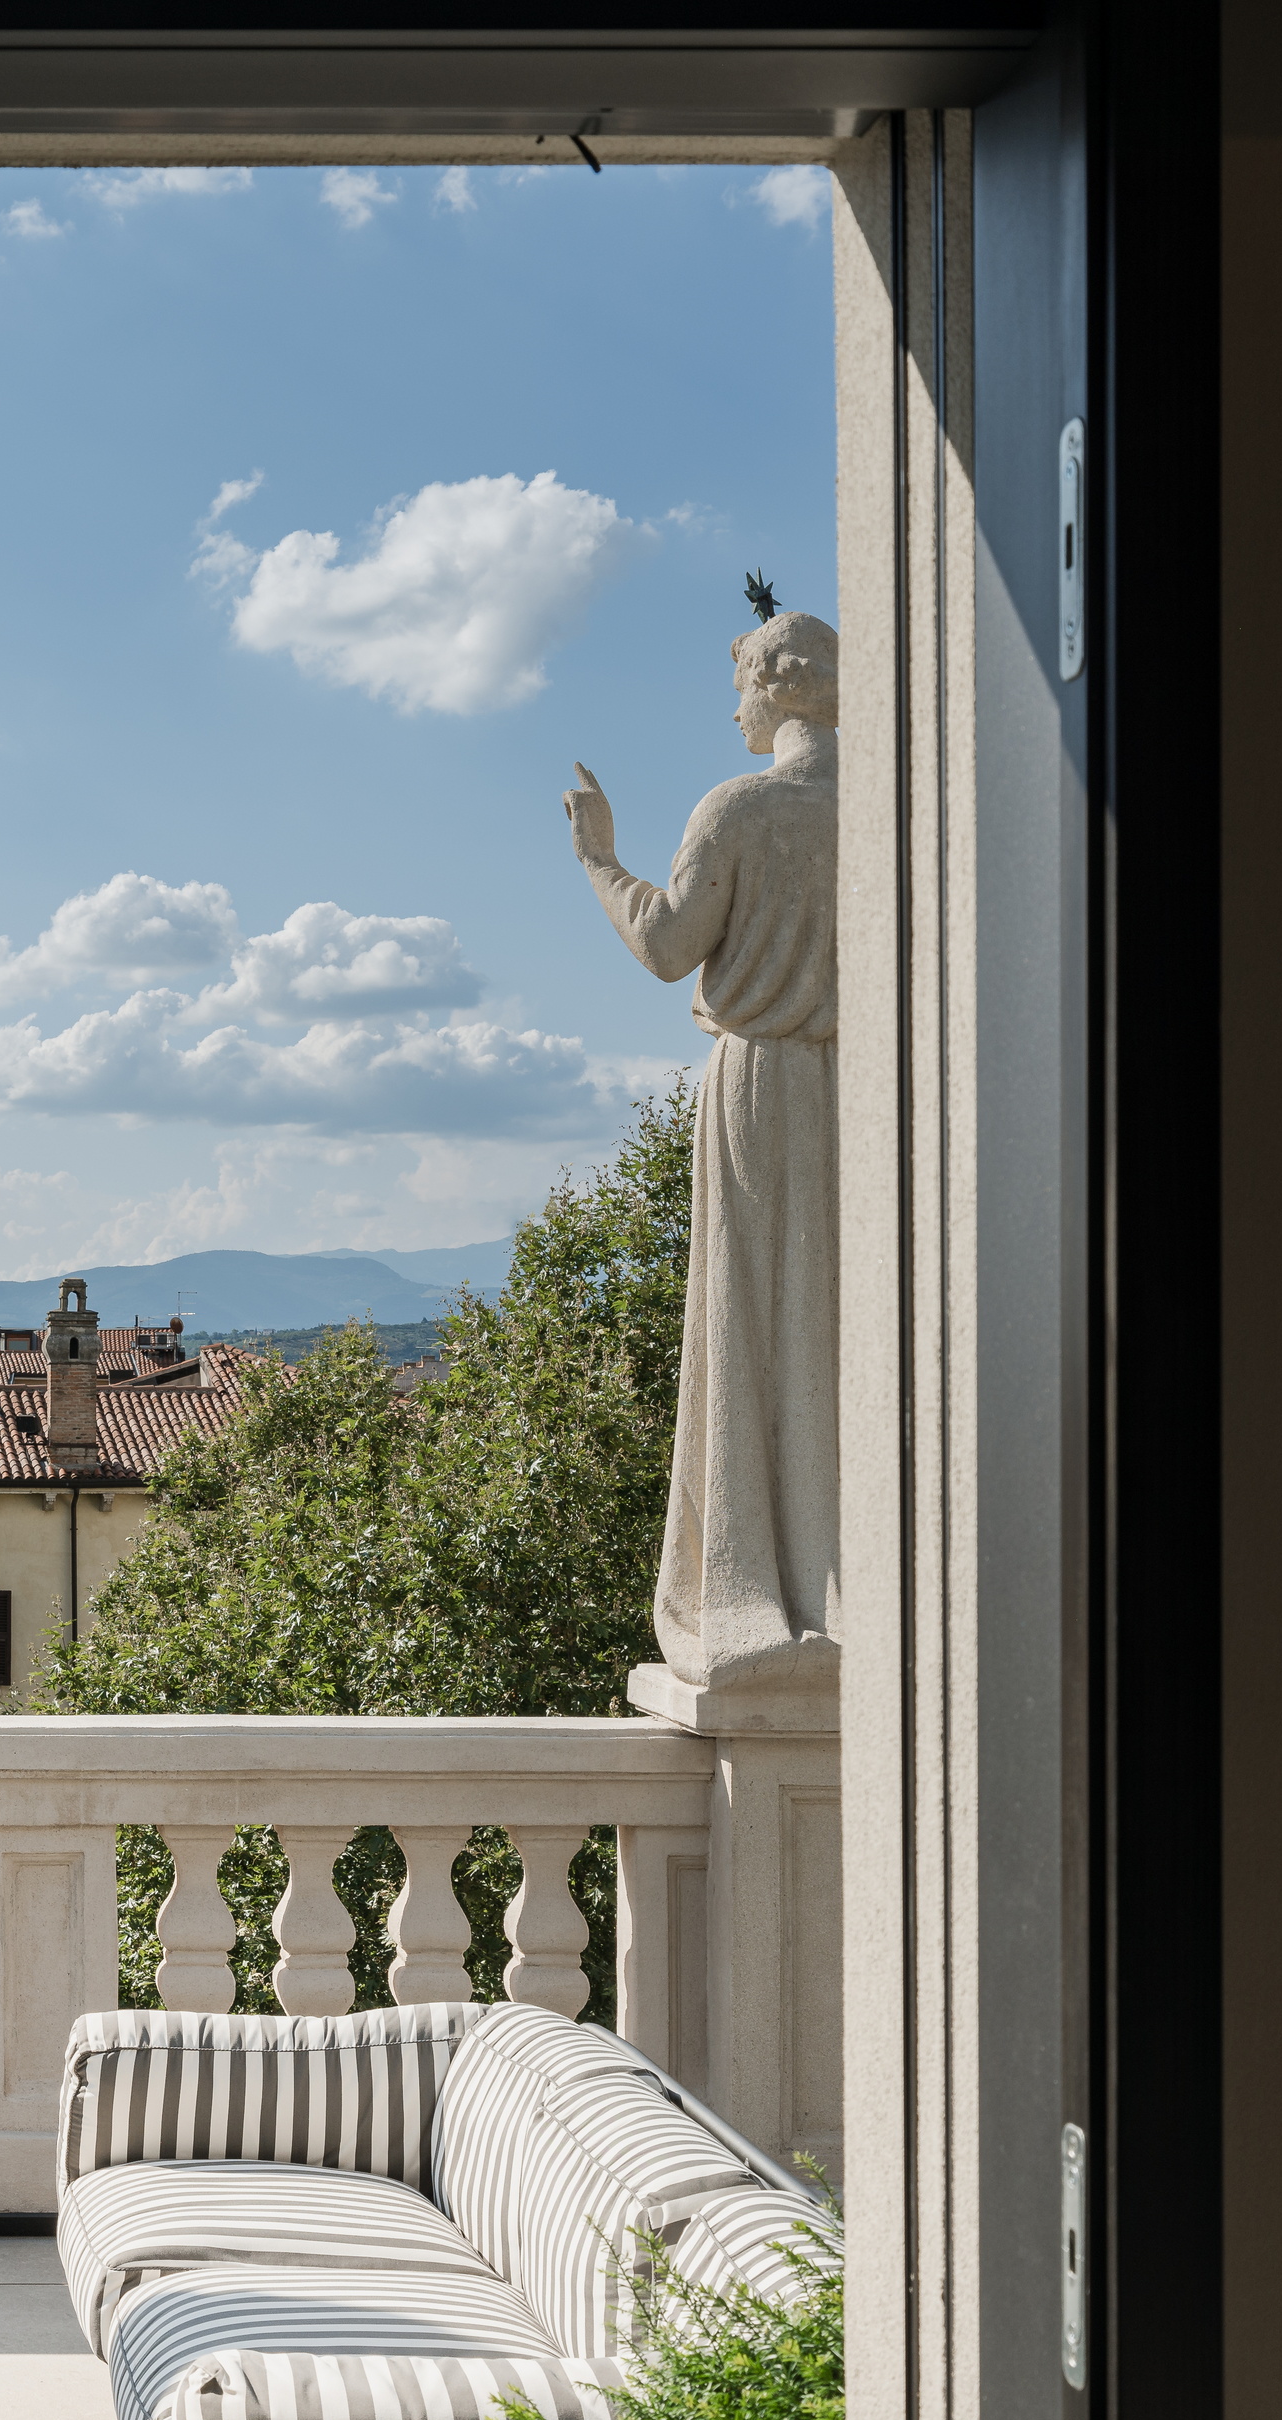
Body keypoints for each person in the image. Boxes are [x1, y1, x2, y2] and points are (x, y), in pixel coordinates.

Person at [562, 608, 841, 1694]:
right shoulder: (897, 810)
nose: (735, 712)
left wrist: (599, 859)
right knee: (840, 1325)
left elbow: (667, 945)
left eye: (740, 688)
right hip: (868, 1094)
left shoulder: (741, 808)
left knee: (751, 1320)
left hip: (763, 1085)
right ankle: (842, 1584)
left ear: (780, 684)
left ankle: (750, 1584)